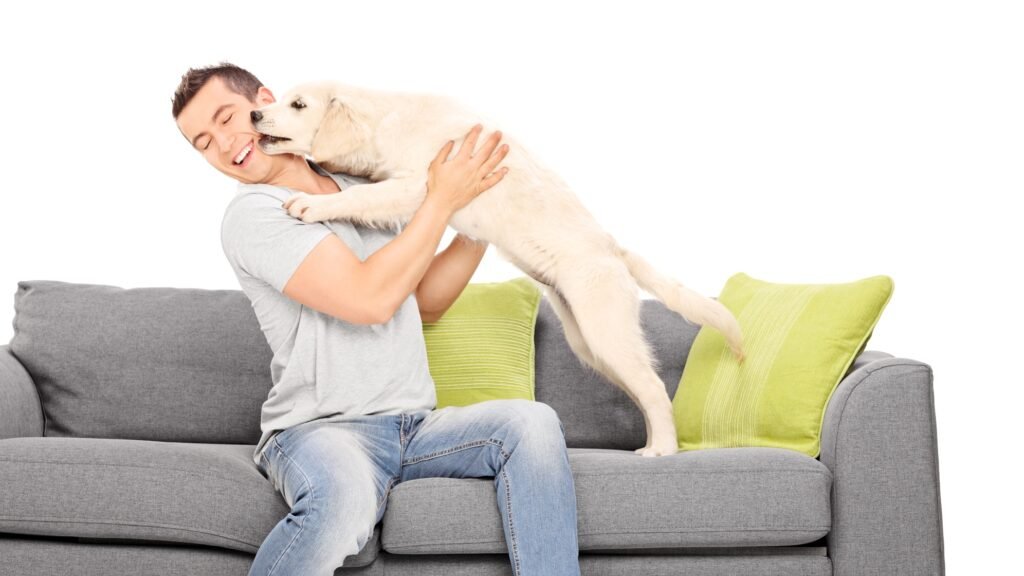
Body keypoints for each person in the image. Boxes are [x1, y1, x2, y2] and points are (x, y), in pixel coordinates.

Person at [172, 62, 581, 576]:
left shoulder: (354, 184)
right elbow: (370, 300)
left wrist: (478, 210)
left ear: (264, 101)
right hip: (322, 431)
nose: (223, 144)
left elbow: (424, 300)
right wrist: (440, 200)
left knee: (531, 423)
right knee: (341, 501)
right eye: (203, 143)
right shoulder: (255, 213)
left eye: (227, 118)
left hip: (415, 425)